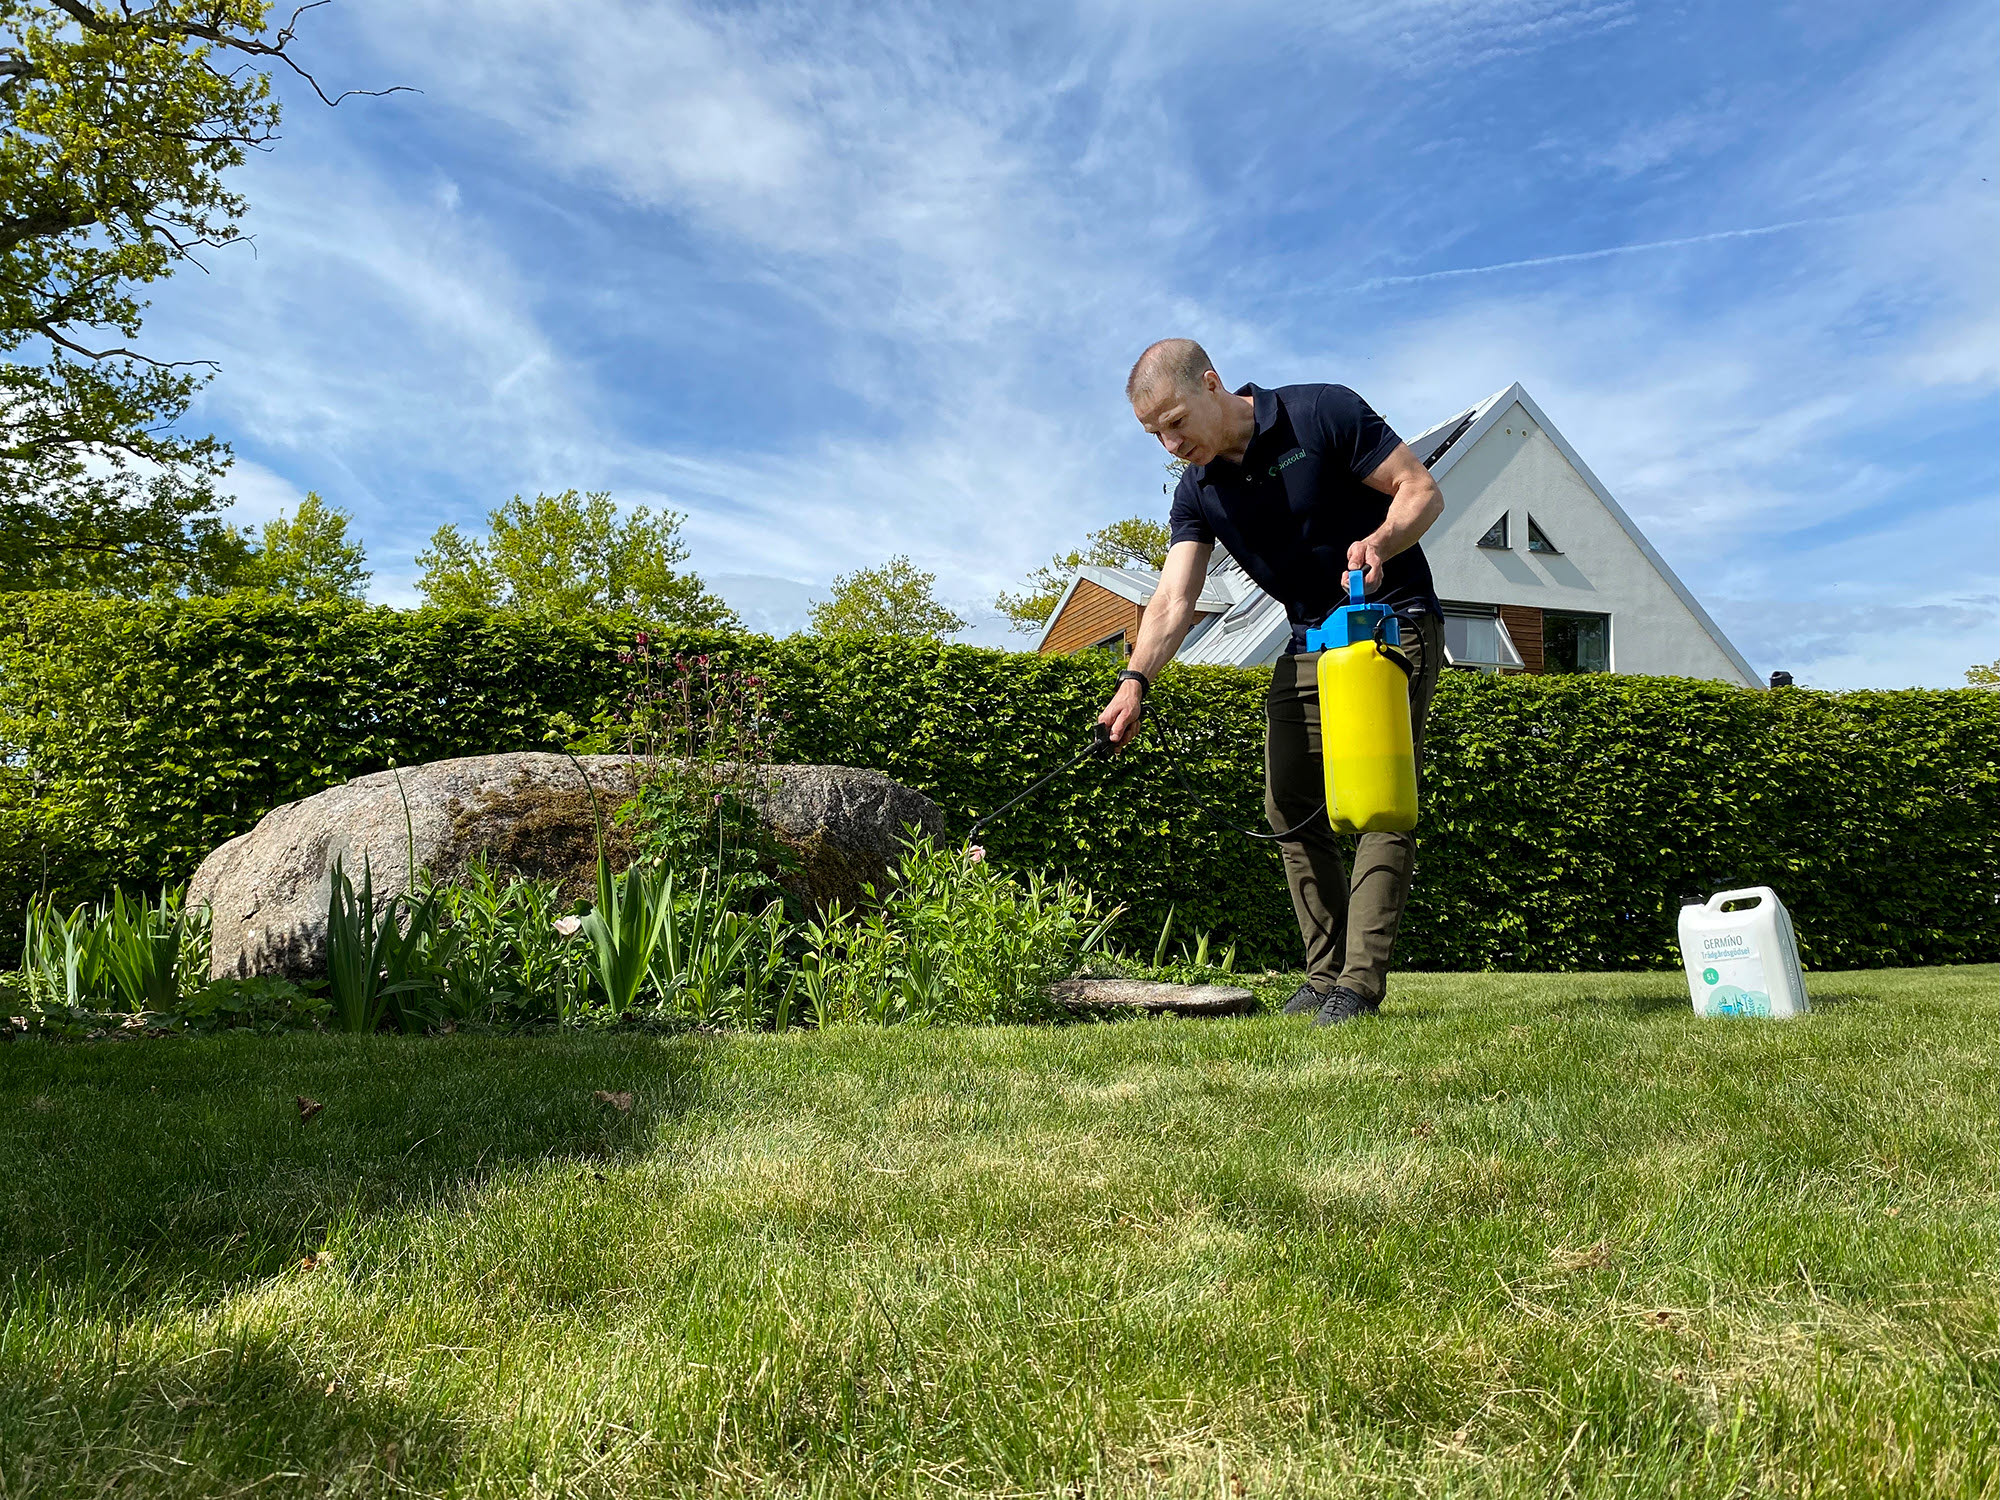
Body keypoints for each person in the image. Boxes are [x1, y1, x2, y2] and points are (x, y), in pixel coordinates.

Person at [1098, 338, 1445, 1026]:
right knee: (1289, 805)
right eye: (1153, 434)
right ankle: (1323, 977)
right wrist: (1135, 678)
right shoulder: (1198, 491)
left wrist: (1381, 543)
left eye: (1174, 421)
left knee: (1379, 802)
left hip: (1386, 621)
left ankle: (1359, 986)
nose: (1170, 444)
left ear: (1212, 383)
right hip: (1308, 639)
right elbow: (1173, 599)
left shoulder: (1321, 414)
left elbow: (1420, 490)